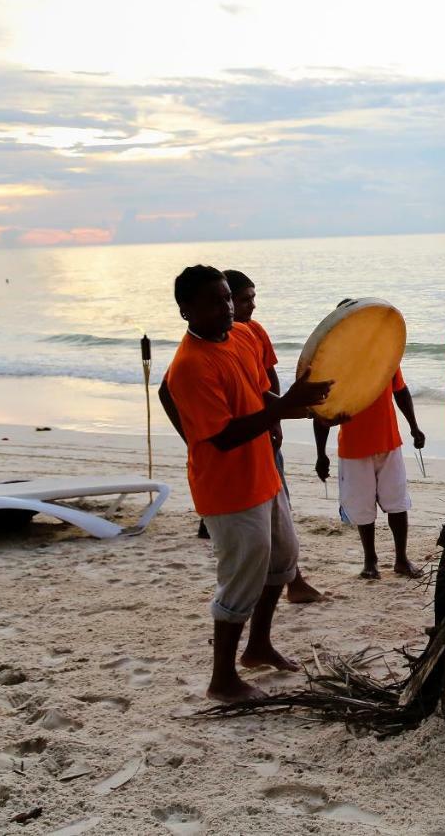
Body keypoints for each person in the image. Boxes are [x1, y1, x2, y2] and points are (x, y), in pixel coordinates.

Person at [164, 264, 332, 702]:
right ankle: (222, 680)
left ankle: (258, 646)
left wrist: (308, 407)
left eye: (227, 298)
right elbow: (223, 436)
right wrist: (283, 409)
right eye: (213, 302)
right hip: (228, 489)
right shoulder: (190, 366)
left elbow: (261, 396)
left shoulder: (239, 336)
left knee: (282, 560)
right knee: (240, 578)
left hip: (263, 474)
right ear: (186, 311)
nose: (226, 308)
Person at [221, 270, 324, 603]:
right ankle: (290, 583)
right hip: (241, 442)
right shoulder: (215, 343)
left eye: (253, 297)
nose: (251, 304)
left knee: (281, 508)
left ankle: (294, 581)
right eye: (243, 299)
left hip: (265, 429)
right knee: (259, 525)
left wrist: (277, 420)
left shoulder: (254, 332)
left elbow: (267, 379)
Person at [312, 366, 425, 579]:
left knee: (398, 503)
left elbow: (400, 391)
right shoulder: (338, 362)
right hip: (354, 448)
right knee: (363, 507)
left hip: (388, 442)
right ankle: (370, 560)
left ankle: (401, 559)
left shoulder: (386, 355)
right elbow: (323, 411)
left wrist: (414, 426)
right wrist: (321, 453)